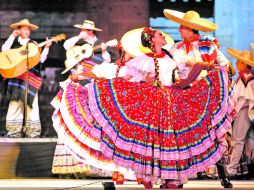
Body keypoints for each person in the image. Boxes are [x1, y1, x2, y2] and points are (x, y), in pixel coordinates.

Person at [57, 26, 236, 189]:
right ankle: (149, 176)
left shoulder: (173, 55)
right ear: (153, 41)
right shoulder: (141, 60)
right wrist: (83, 76)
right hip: (150, 104)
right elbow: (122, 76)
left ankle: (170, 179)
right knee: (151, 141)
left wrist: (204, 73)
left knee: (170, 139)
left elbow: (193, 67)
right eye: (159, 35)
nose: (163, 36)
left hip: (171, 101)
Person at [164, 9, 235, 188]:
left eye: (182, 28)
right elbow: (168, 66)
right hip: (184, 92)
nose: (180, 30)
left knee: (212, 131)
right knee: (181, 134)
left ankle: (223, 174)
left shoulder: (208, 44)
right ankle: (178, 177)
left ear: (190, 28)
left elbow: (225, 64)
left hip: (205, 93)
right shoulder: (176, 48)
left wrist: (202, 67)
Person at [1, 19, 52, 138]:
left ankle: (32, 132)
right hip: (16, 77)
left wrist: (47, 48)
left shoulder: (33, 44)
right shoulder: (13, 43)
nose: (27, 31)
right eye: (24, 29)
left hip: (30, 78)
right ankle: (14, 131)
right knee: (15, 104)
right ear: (19, 30)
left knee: (31, 105)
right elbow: (4, 51)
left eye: (28, 29)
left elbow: (41, 60)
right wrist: (12, 35)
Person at [226, 48, 254, 179]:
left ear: (244, 63)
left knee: (238, 141)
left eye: (239, 61)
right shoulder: (246, 76)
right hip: (247, 112)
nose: (236, 63)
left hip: (243, 111)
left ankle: (231, 170)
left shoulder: (245, 77)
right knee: (249, 141)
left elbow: (241, 98)